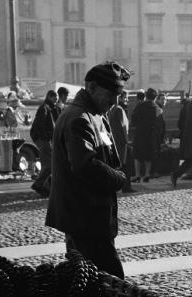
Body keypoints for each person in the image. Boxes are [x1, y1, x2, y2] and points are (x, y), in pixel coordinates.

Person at [46, 61, 130, 279]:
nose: (115, 101)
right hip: (85, 216)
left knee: (89, 281)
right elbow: (85, 165)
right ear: (91, 87)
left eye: (118, 95)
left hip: (89, 215)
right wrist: (119, 178)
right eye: (111, 94)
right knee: (110, 280)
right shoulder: (79, 118)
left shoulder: (94, 113)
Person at [131, 88, 164, 183]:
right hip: (151, 135)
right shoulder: (158, 109)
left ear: (146, 95)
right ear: (155, 97)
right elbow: (159, 124)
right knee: (148, 155)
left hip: (140, 133)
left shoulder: (140, 105)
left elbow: (133, 119)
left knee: (137, 155)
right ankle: (147, 174)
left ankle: (137, 175)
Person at [30, 90, 59, 197]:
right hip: (43, 139)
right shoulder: (44, 108)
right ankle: (39, 184)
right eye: (54, 98)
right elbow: (40, 125)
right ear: (50, 97)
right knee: (49, 165)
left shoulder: (49, 108)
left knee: (48, 164)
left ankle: (45, 187)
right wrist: (46, 138)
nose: (56, 101)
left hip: (44, 139)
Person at [108, 89, 135, 193]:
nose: (127, 100)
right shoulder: (119, 109)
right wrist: (128, 141)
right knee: (126, 166)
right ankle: (126, 186)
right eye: (125, 97)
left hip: (116, 141)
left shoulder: (112, 109)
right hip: (122, 142)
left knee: (119, 165)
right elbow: (124, 127)